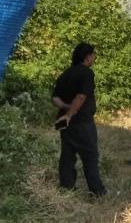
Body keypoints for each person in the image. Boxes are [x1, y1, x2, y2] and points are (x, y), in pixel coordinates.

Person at [52, 42, 107, 197]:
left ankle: (66, 188)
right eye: (93, 54)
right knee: (90, 156)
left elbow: (55, 98)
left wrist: (66, 108)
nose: (94, 57)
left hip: (65, 122)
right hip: (82, 122)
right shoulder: (87, 73)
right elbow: (81, 96)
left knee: (67, 156)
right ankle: (97, 191)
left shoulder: (66, 73)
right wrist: (70, 114)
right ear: (87, 57)